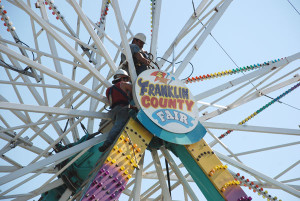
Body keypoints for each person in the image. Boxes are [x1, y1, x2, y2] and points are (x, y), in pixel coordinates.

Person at [98, 69, 133, 152]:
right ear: (122, 78)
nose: (126, 80)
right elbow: (136, 90)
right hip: (123, 108)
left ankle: (111, 145)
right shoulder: (123, 84)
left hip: (113, 111)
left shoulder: (108, 90)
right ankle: (108, 143)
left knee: (117, 127)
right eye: (125, 78)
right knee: (119, 126)